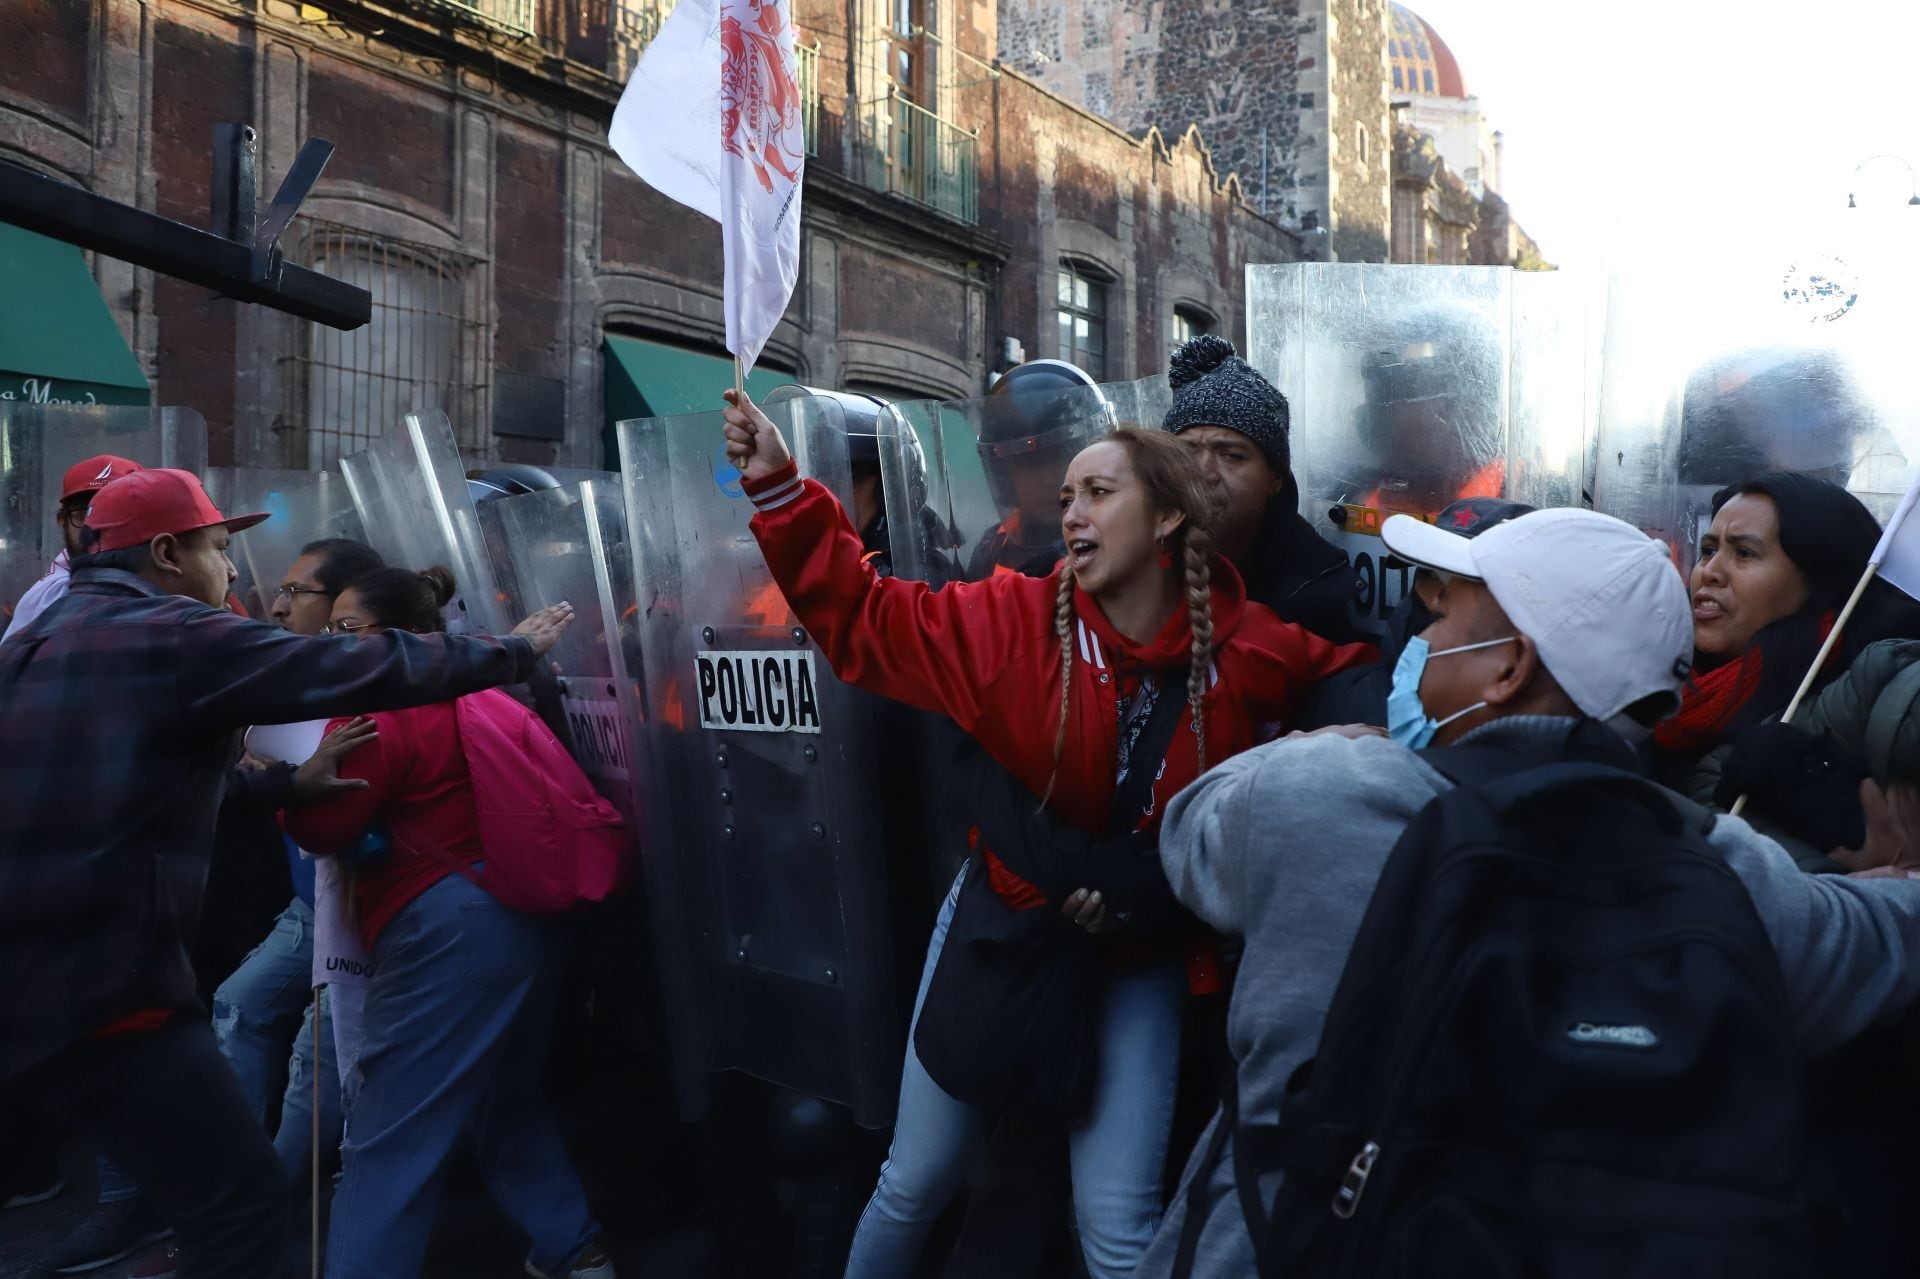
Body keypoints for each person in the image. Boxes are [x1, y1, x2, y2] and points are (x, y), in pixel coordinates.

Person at [1136, 507, 1920, 1279]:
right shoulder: (1723, 865)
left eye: (1450, 618)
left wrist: (1314, 746)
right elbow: (1879, 940)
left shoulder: (1331, 797)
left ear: (1510, 666)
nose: (1423, 637)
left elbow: (1186, 830)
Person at [721, 389, 1373, 1279]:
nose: (1070, 511)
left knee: (1116, 1227)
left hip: (1133, 960)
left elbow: (1355, 677)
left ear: (1168, 514)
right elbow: (865, 620)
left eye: (1098, 492)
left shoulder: (1248, 649)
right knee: (914, 1180)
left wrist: (1345, 729)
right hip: (1002, 927)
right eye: (1067, 495)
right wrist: (781, 491)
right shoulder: (1007, 621)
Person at [0, 468, 573, 1279]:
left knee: (210, 1190)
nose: (235, 574)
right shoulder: (173, 632)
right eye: (219, 549)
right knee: (240, 1209)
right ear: (167, 552)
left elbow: (138, 777)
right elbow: (346, 671)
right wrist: (508, 650)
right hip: (104, 989)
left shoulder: (35, 636)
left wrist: (280, 785)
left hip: (35, 983)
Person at [285, 565, 614, 1279]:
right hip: (524, 918)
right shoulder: (480, 689)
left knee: (387, 1141)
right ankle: (574, 1248)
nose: (332, 643)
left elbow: (325, 821)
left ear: (396, 636)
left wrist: (278, 780)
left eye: (347, 630)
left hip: (448, 931)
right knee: (505, 1096)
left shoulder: (381, 704)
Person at [211, 539, 387, 1183]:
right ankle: (237, 1181)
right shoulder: (288, 673)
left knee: (316, 1060)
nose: (278, 607)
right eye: (279, 590)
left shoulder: (369, 683)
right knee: (239, 1005)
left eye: (297, 593)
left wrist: (289, 775)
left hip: (355, 901)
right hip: (308, 899)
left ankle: (269, 1200)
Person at [1650, 473, 1920, 835]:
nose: (1709, 573)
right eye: (1709, 550)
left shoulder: (1875, 697)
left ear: (1820, 582)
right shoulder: (1655, 683)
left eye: (1744, 552)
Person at [1162, 335, 1360, 643]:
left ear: (1275, 479)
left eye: (1230, 455)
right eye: (1186, 452)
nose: (1204, 473)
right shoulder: (1122, 556)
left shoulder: (1316, 591)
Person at [1295, 496, 1533, 730]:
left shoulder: (1531, 730)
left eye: (1468, 583)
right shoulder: (1336, 703)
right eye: (1429, 574)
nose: (1437, 598)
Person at [3, 453, 142, 641]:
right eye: (85, 513)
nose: (98, 526)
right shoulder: (46, 602)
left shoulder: (171, 578)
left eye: (117, 510)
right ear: (62, 522)